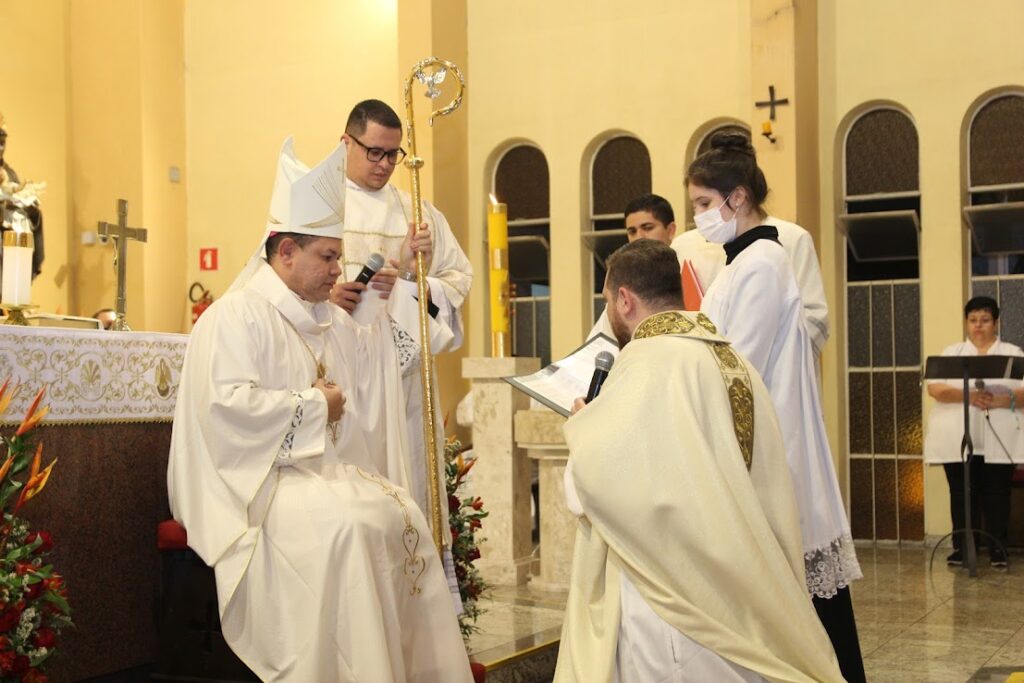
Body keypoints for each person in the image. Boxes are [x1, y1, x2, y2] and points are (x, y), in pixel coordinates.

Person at [167, 138, 471, 682]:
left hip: (311, 474)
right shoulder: (234, 317)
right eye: (327, 257)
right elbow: (227, 413)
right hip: (252, 486)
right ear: (285, 252)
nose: (337, 269)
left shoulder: (318, 316)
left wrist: (383, 299)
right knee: (349, 528)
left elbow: (371, 373)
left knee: (398, 514)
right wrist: (315, 406)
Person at [555, 240, 843, 683]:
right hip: (744, 585)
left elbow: (594, 489)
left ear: (625, 299)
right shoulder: (734, 362)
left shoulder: (647, 364)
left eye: (608, 300)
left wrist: (583, 431)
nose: (609, 310)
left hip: (675, 597)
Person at [691, 132, 865, 682]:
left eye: (702, 204)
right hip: (759, 441)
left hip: (770, 446)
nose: (698, 216)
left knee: (809, 611)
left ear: (736, 197)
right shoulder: (741, 260)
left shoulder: (763, 261)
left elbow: (736, 366)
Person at [330, 99, 472, 544]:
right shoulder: (317, 205)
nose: (386, 164)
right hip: (342, 379)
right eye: (374, 151)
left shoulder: (418, 213)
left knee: (408, 488)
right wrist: (331, 296)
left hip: (405, 386)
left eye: (394, 154)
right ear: (345, 143)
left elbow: (458, 280)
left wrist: (416, 275)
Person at [924, 296, 1024, 568]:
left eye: (985, 320)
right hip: (958, 436)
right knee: (961, 491)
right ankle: (962, 548)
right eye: (973, 320)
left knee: (997, 492)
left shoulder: (1013, 353)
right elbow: (936, 389)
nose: (978, 326)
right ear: (966, 322)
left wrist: (1004, 399)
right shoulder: (952, 353)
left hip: (999, 435)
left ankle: (997, 548)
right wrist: (969, 396)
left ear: (996, 322)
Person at [671, 207, 829, 355]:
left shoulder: (792, 237)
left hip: (770, 373)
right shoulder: (683, 244)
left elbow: (814, 316)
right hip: (711, 361)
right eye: (695, 204)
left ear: (738, 196)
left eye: (705, 203)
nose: (698, 213)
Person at [587, 193, 677, 341]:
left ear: (671, 230)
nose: (639, 237)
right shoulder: (625, 282)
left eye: (648, 228)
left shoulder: (691, 271)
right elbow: (601, 341)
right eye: (632, 231)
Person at [0, 116, 45, 279]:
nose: (0, 147)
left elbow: (18, 196)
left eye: (3, 143)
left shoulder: (10, 173)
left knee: (35, 214)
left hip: (11, 239)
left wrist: (30, 210)